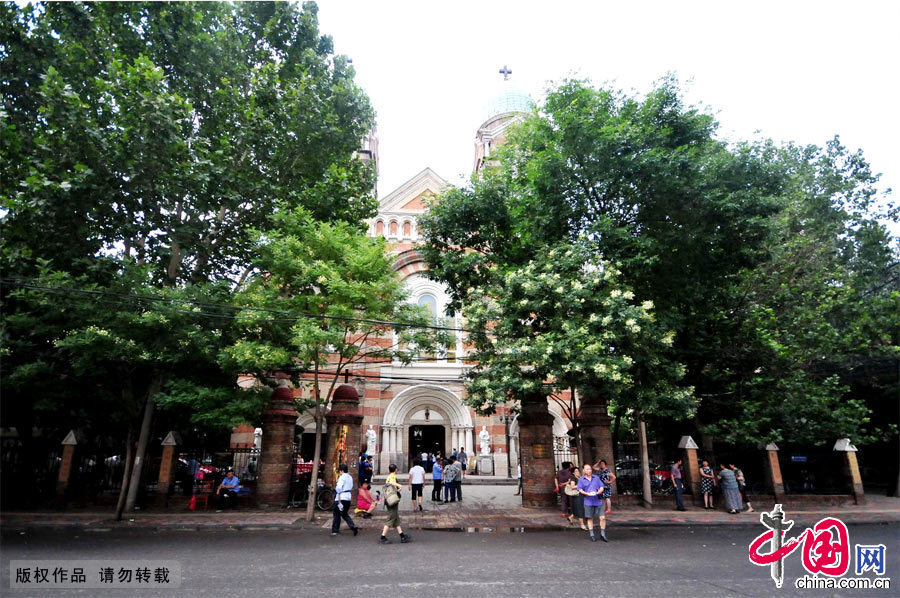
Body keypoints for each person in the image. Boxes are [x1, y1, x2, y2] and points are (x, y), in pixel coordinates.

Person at [380, 464, 411, 544]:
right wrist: (399, 485)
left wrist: (397, 488)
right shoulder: (392, 476)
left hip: (390, 499)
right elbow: (391, 483)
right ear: (396, 469)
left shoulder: (389, 476)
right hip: (392, 500)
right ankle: (382, 537)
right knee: (391, 518)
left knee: (395, 518)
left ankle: (402, 536)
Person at [577, 463, 607, 542]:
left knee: (602, 517)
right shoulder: (581, 479)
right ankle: (592, 534)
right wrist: (587, 494)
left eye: (590, 469)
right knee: (590, 518)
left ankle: (603, 534)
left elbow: (601, 486)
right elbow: (580, 489)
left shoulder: (596, 478)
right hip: (588, 501)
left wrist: (600, 491)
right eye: (587, 469)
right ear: (583, 470)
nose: (589, 471)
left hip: (598, 500)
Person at [331, 464, 359, 537]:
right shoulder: (350, 477)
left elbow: (339, 488)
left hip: (341, 497)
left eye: (339, 471)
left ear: (342, 471)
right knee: (344, 513)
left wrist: (337, 492)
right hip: (348, 497)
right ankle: (352, 526)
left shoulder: (342, 477)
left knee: (337, 514)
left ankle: (335, 530)